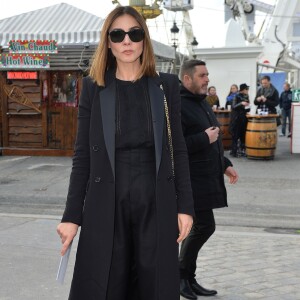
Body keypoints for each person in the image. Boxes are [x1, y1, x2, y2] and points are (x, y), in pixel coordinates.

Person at [56, 6, 194, 300]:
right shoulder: (94, 88)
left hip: (155, 201)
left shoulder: (165, 86)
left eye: (135, 33)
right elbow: (83, 156)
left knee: (154, 285)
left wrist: (186, 206)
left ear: (144, 39)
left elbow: (177, 150)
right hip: (106, 203)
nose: (127, 41)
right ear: (108, 42)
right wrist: (71, 216)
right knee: (106, 285)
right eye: (118, 34)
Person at [178, 59, 239, 300]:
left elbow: (212, 141)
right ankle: (181, 276)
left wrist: (225, 165)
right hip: (190, 180)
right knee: (203, 226)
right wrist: (204, 138)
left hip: (205, 177)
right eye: (202, 75)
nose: (207, 79)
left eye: (207, 75)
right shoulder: (179, 106)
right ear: (187, 79)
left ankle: (187, 278)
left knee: (199, 227)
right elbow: (175, 147)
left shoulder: (200, 102)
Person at [229, 83, 251, 157]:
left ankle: (242, 150)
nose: (248, 90)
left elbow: (248, 107)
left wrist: (248, 107)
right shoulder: (236, 95)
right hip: (236, 117)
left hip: (244, 117)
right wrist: (241, 103)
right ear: (243, 90)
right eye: (247, 89)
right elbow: (234, 106)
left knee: (243, 134)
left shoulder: (246, 96)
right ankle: (234, 151)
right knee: (236, 135)